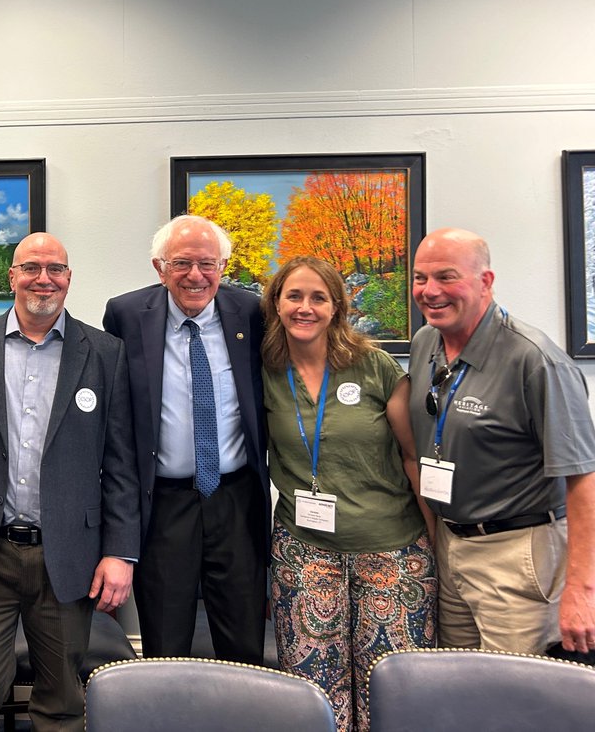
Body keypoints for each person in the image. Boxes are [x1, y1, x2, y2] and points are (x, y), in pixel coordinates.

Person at [0, 233, 139, 732]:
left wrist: (120, 551)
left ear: (69, 278)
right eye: (30, 268)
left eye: (55, 269)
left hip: (69, 556)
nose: (42, 279)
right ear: (12, 276)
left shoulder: (106, 352)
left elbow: (120, 464)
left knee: (62, 704)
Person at [261, 256, 436, 732]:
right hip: (305, 551)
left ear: (338, 306)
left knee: (393, 693)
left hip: (393, 550)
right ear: (276, 303)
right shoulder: (263, 370)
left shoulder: (374, 365)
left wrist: (438, 539)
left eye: (319, 297)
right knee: (314, 693)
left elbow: (412, 456)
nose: (305, 307)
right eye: (294, 296)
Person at [409, 227, 595, 654]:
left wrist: (583, 590)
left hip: (517, 551)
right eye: (420, 278)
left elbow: (583, 480)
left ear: (485, 282)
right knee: (462, 686)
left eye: (446, 276)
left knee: (513, 698)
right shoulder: (426, 344)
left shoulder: (535, 360)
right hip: (450, 545)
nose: (430, 291)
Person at [102, 215, 268, 662]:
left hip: (236, 499)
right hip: (164, 504)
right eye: (182, 263)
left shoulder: (251, 313)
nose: (196, 275)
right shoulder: (126, 315)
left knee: (243, 640)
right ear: (159, 268)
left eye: (207, 264)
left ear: (224, 266)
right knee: (164, 641)